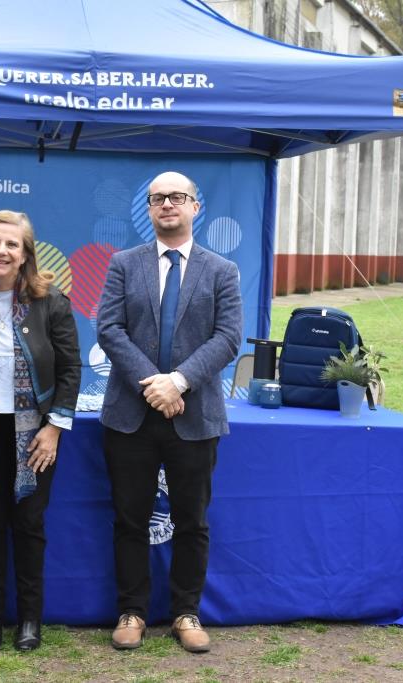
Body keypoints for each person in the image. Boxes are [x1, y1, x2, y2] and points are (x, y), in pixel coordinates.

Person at [96, 171, 242, 653]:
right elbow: (110, 329)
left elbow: (227, 338)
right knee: (130, 519)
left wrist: (177, 382)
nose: (167, 206)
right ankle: (132, 611)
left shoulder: (222, 270)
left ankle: (186, 612)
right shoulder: (123, 263)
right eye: (158, 199)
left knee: (192, 520)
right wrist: (154, 385)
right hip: (131, 415)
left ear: (195, 206)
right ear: (150, 210)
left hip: (194, 414)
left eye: (176, 198)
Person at [0, 210, 81, 653]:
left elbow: (70, 368)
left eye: (12, 245)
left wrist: (54, 428)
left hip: (35, 432)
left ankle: (30, 618)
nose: (1, 251)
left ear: (26, 253)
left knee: (29, 523)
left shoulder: (51, 300)